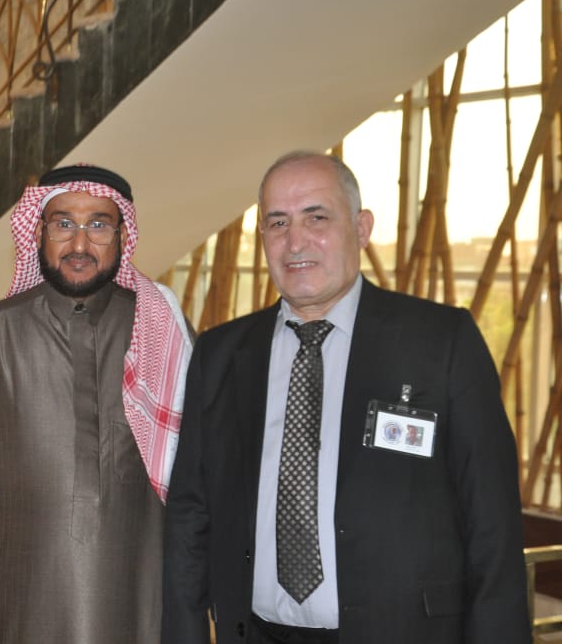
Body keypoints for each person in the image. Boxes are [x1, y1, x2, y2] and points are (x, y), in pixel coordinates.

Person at [162, 150, 530, 644]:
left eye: (317, 218)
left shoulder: (440, 343)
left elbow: (493, 525)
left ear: (361, 228)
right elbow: (190, 515)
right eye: (278, 222)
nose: (295, 242)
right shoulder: (220, 354)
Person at [0, 164, 193, 643]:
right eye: (63, 223)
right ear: (39, 232)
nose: (79, 244)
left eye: (98, 225)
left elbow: (196, 480)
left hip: (133, 602)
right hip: (12, 602)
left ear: (123, 236)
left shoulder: (161, 333)